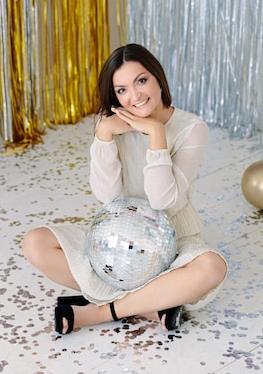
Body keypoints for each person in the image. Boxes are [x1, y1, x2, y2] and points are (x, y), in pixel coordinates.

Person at [22, 43, 227, 335]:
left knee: (211, 268)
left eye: (141, 81)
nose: (135, 96)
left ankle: (97, 313)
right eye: (122, 90)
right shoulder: (114, 125)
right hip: (116, 241)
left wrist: (157, 135)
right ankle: (152, 305)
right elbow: (107, 196)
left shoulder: (192, 128)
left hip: (172, 239)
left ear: (157, 77)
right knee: (34, 242)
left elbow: (162, 200)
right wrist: (104, 135)